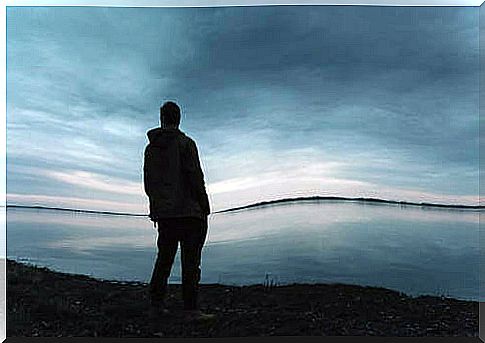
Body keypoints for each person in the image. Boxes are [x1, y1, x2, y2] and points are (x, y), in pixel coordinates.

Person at [143, 101, 211, 316]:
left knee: (164, 259)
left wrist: (157, 208)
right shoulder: (186, 144)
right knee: (190, 263)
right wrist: (205, 205)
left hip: (165, 215)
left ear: (161, 118)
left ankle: (156, 305)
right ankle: (190, 310)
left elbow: (149, 183)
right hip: (190, 213)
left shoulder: (150, 148)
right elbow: (195, 177)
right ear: (179, 118)